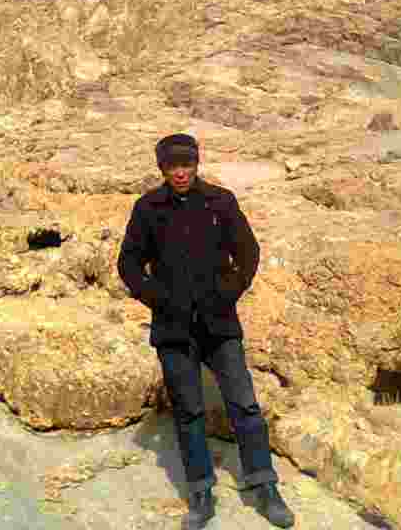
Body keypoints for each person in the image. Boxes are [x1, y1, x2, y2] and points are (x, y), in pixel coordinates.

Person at [118, 133, 295, 529]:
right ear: (162, 168)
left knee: (245, 405)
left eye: (186, 164)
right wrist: (158, 299)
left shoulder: (220, 201)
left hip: (219, 326)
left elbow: (248, 252)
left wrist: (227, 292)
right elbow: (129, 264)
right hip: (174, 329)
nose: (180, 172)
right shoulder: (148, 208)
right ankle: (200, 494)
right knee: (188, 411)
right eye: (171, 166)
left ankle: (264, 486)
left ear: (196, 164)